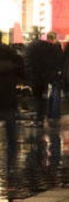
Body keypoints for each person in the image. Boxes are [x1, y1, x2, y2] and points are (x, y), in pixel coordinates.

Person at [24, 30, 63, 126]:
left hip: (35, 76)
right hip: (45, 75)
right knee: (42, 97)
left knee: (37, 97)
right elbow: (54, 61)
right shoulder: (49, 47)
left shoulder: (30, 47)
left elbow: (27, 62)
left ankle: (39, 118)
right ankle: (42, 117)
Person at [0, 40, 24, 172]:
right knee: (11, 135)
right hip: (8, 97)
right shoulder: (11, 53)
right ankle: (11, 166)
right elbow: (22, 71)